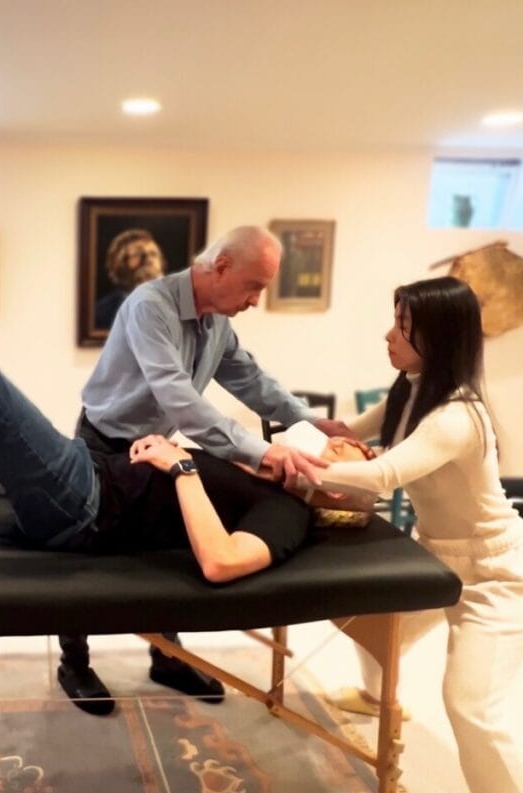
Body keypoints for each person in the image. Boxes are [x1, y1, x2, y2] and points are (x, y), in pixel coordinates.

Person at [62, 224, 355, 715]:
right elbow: (179, 398)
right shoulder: (149, 306)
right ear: (220, 267)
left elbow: (252, 381)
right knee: (83, 557)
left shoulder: (216, 322)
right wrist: (261, 453)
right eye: (253, 286)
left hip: (156, 446)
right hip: (102, 445)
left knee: (170, 547)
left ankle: (167, 657)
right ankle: (73, 662)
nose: (256, 300)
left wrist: (307, 420)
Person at [307, 276, 523, 793]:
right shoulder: (408, 389)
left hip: (498, 577)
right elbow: (347, 432)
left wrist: (296, 468)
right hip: (438, 559)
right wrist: (284, 433)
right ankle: (375, 696)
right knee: (365, 619)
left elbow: (383, 475)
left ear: (439, 337)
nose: (388, 335)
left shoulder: (458, 415)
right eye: (394, 322)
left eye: (403, 326)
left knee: (471, 709)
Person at [0, 346, 329, 578]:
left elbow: (221, 562)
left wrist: (181, 467)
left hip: (84, 509)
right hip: (88, 473)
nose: (323, 443)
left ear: (335, 487)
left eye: (340, 451)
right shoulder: (260, 467)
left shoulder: (288, 512)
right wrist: (161, 452)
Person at [93, 228, 166, 330]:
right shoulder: (103, 311)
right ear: (119, 263)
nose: (148, 259)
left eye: (153, 254)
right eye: (137, 254)